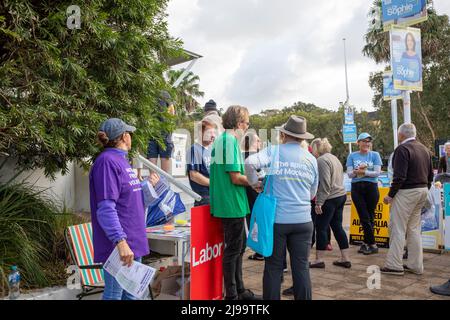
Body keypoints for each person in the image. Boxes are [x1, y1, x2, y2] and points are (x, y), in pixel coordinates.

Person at [245, 115, 318, 300]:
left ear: (283, 135)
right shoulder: (311, 159)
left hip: (277, 221)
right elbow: (312, 193)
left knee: (273, 267)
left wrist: (254, 183)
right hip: (303, 220)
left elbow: (249, 163)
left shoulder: (275, 152)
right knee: (301, 268)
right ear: (302, 138)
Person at [89, 118, 149, 300]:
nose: (131, 136)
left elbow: (127, 199)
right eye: (129, 133)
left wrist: (147, 186)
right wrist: (120, 242)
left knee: (131, 296)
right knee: (115, 295)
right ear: (124, 136)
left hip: (133, 242)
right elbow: (106, 208)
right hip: (120, 246)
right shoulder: (106, 162)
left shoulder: (122, 160)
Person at [209, 105, 260, 300]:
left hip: (230, 203)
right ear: (239, 123)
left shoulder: (224, 141)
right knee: (233, 250)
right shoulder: (229, 141)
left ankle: (239, 290)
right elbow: (235, 177)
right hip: (231, 204)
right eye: (247, 123)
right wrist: (256, 182)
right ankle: (233, 295)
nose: (247, 127)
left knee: (238, 249)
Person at [381, 123, 433, 275]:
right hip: (422, 190)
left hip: (407, 191)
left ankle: (394, 264)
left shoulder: (402, 149)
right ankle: (416, 265)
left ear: (401, 135)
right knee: (414, 228)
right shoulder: (424, 149)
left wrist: (390, 195)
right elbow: (430, 175)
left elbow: (399, 176)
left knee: (398, 227)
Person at [309, 138, 350, 268]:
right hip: (340, 195)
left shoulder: (321, 160)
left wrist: (319, 202)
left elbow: (325, 184)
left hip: (329, 198)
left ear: (316, 148)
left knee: (321, 228)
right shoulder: (334, 158)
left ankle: (319, 260)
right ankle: (345, 258)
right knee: (338, 227)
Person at [346, 132, 382, 255]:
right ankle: (372, 244)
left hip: (371, 187)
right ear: (358, 143)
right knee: (364, 216)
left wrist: (363, 172)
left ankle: (368, 243)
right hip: (357, 188)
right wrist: (358, 171)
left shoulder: (375, 155)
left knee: (370, 216)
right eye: (364, 141)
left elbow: (377, 173)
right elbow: (350, 174)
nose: (367, 143)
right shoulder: (352, 155)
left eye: (368, 141)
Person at [242, 132, 264, 261]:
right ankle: (259, 250)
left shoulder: (255, 156)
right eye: (257, 141)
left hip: (255, 192)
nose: (260, 143)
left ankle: (259, 250)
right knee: (255, 221)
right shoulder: (249, 157)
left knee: (255, 221)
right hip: (252, 192)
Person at [186, 117, 217, 207]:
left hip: (215, 193)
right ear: (200, 133)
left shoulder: (211, 149)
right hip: (203, 197)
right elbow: (194, 175)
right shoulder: (194, 149)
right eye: (209, 132)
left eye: (214, 132)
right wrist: (214, 183)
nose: (213, 135)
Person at [145, 91, 176, 175]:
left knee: (153, 174)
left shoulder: (148, 94)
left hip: (151, 133)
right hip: (164, 133)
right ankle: (163, 185)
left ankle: (154, 184)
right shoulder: (164, 93)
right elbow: (172, 113)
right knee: (164, 175)